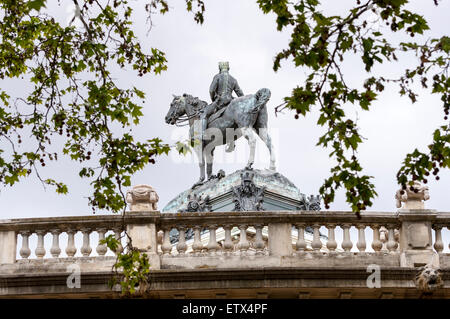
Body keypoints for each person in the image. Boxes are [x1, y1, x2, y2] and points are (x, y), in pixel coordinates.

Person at [200, 61, 244, 152]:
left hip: (219, 102)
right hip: (231, 102)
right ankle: (232, 142)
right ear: (228, 69)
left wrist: (214, 99)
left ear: (220, 68)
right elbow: (240, 94)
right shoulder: (233, 79)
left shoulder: (217, 77)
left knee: (203, 114)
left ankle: (202, 135)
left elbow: (211, 90)